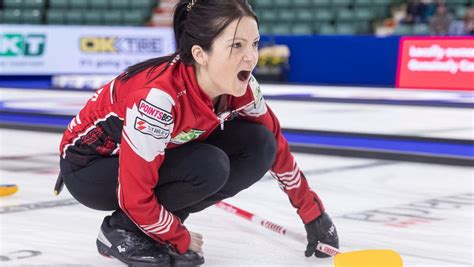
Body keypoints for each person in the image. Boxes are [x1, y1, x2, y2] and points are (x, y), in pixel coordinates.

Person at [57, 0, 339, 266]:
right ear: (200, 54)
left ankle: (152, 227)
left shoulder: (241, 87)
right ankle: (120, 230)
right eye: (236, 46)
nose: (252, 57)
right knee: (208, 165)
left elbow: (275, 146)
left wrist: (313, 213)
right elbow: (134, 195)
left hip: (148, 158)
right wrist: (178, 238)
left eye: (254, 44)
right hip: (91, 168)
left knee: (259, 145)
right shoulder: (158, 99)